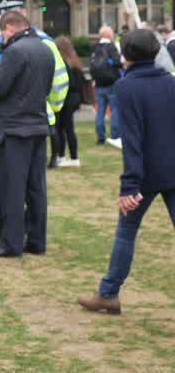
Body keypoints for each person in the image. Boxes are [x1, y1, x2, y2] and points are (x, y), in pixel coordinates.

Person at [77, 29, 175, 315]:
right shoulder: (170, 83)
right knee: (126, 231)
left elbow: (132, 140)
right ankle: (107, 293)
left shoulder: (127, 87)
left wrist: (129, 186)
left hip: (145, 173)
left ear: (127, 55)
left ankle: (108, 293)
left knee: (126, 232)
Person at [0, 11, 54, 258]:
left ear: (10, 27)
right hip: (38, 125)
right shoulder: (45, 49)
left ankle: (10, 243)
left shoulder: (15, 52)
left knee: (12, 188)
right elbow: (47, 87)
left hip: (12, 129)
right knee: (35, 188)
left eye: (3, 32)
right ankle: (37, 240)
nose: (3, 37)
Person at [50, 36, 87, 168]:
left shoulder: (63, 63)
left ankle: (67, 156)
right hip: (74, 98)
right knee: (66, 128)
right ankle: (68, 156)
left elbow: (65, 82)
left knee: (62, 129)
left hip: (66, 99)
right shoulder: (75, 61)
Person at [91, 26, 124, 148]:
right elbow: (117, 62)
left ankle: (101, 136)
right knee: (115, 109)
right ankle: (115, 135)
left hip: (99, 83)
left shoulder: (95, 47)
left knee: (100, 110)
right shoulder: (111, 47)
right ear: (109, 35)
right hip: (112, 83)